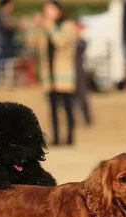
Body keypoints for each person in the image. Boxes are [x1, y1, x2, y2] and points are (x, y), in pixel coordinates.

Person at [37, 0, 77, 146]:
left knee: (67, 107)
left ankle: (70, 137)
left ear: (58, 11)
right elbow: (34, 44)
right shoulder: (45, 28)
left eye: (50, 9)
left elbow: (60, 41)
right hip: (50, 73)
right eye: (45, 9)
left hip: (63, 72)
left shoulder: (68, 26)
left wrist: (50, 27)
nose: (47, 12)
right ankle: (56, 137)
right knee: (52, 107)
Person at [74, 19, 93, 126]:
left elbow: (81, 46)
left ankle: (87, 119)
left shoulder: (81, 41)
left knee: (82, 96)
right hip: (70, 72)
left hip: (79, 71)